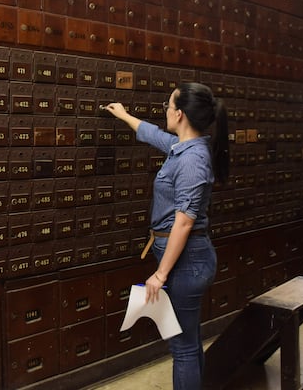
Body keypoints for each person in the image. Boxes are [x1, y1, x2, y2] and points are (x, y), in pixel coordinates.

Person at [104, 82, 229, 390]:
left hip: (187, 262)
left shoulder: (191, 159)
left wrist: (160, 275)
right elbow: (157, 136)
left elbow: (183, 223)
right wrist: (125, 116)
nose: (165, 111)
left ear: (181, 114)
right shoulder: (183, 148)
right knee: (190, 340)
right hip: (185, 259)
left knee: (182, 348)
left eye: (168, 106)